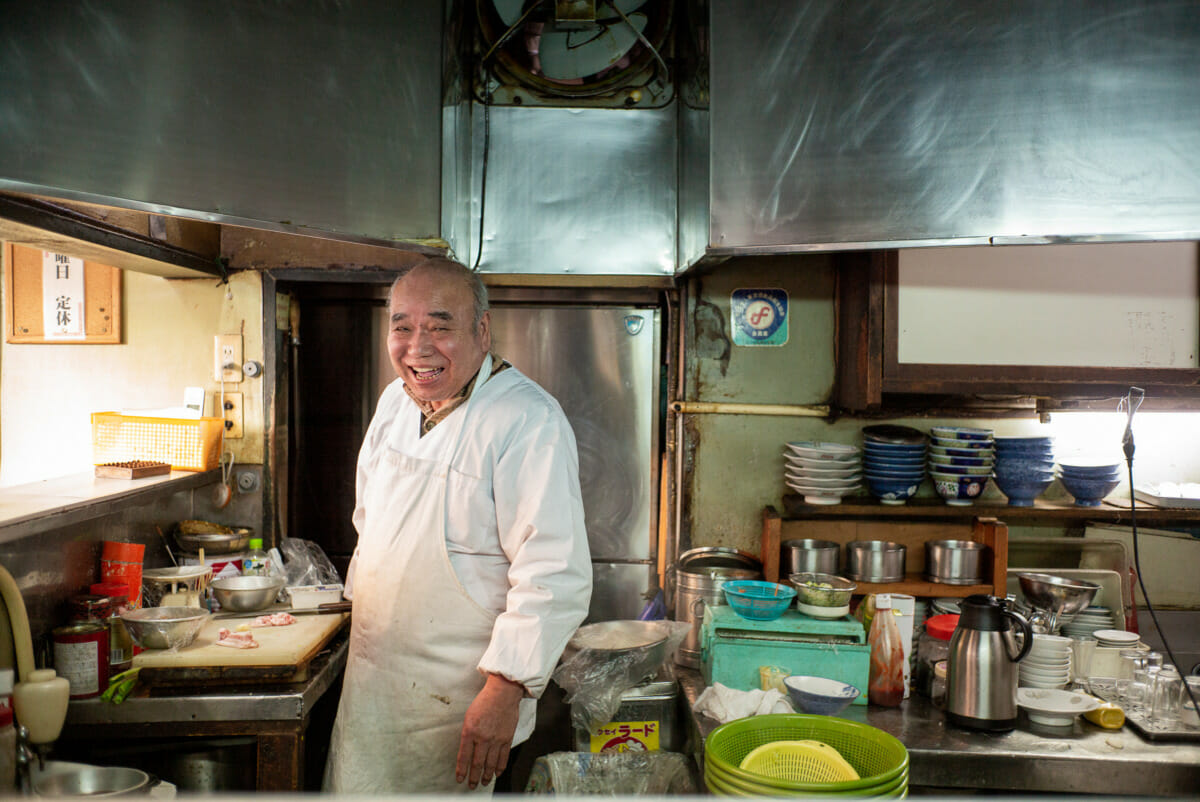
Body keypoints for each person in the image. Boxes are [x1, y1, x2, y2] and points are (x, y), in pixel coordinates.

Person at [323, 257, 593, 794]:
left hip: (459, 705)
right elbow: (369, 522)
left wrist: (506, 687)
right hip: (372, 685)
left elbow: (553, 574)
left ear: (482, 330)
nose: (417, 347)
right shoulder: (392, 406)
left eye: (440, 327)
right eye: (402, 326)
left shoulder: (527, 420)